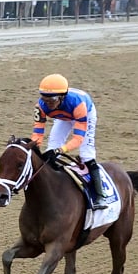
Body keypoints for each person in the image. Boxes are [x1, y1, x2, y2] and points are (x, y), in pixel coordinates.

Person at [30, 73, 104, 207]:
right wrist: (33, 148)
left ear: (62, 97)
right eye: (45, 100)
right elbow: (37, 134)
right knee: (50, 149)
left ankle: (100, 195)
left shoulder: (78, 104)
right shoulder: (41, 106)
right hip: (63, 117)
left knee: (86, 154)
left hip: (83, 114)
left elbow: (78, 139)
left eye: (52, 101)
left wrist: (61, 150)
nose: (48, 104)